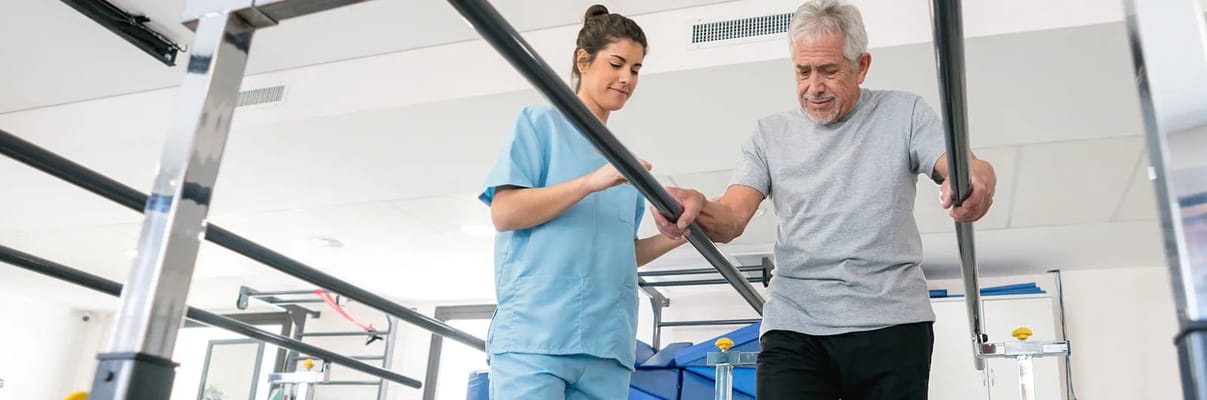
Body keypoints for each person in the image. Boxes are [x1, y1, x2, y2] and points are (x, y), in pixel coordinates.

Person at [651, 1, 998, 399]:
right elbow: (731, 217)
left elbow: (965, 167)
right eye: (803, 71)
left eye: (829, 71)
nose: (814, 87)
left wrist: (975, 182)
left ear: (861, 66)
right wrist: (693, 207)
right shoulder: (769, 135)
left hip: (891, 322)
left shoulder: (905, 112)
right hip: (796, 324)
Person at [478, 5, 686, 399]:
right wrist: (590, 182)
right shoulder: (538, 124)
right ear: (583, 60)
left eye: (636, 69)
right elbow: (504, 213)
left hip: (606, 347)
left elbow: (620, 253)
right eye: (617, 63)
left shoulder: (625, 166)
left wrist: (678, 235)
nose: (627, 78)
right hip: (535, 339)